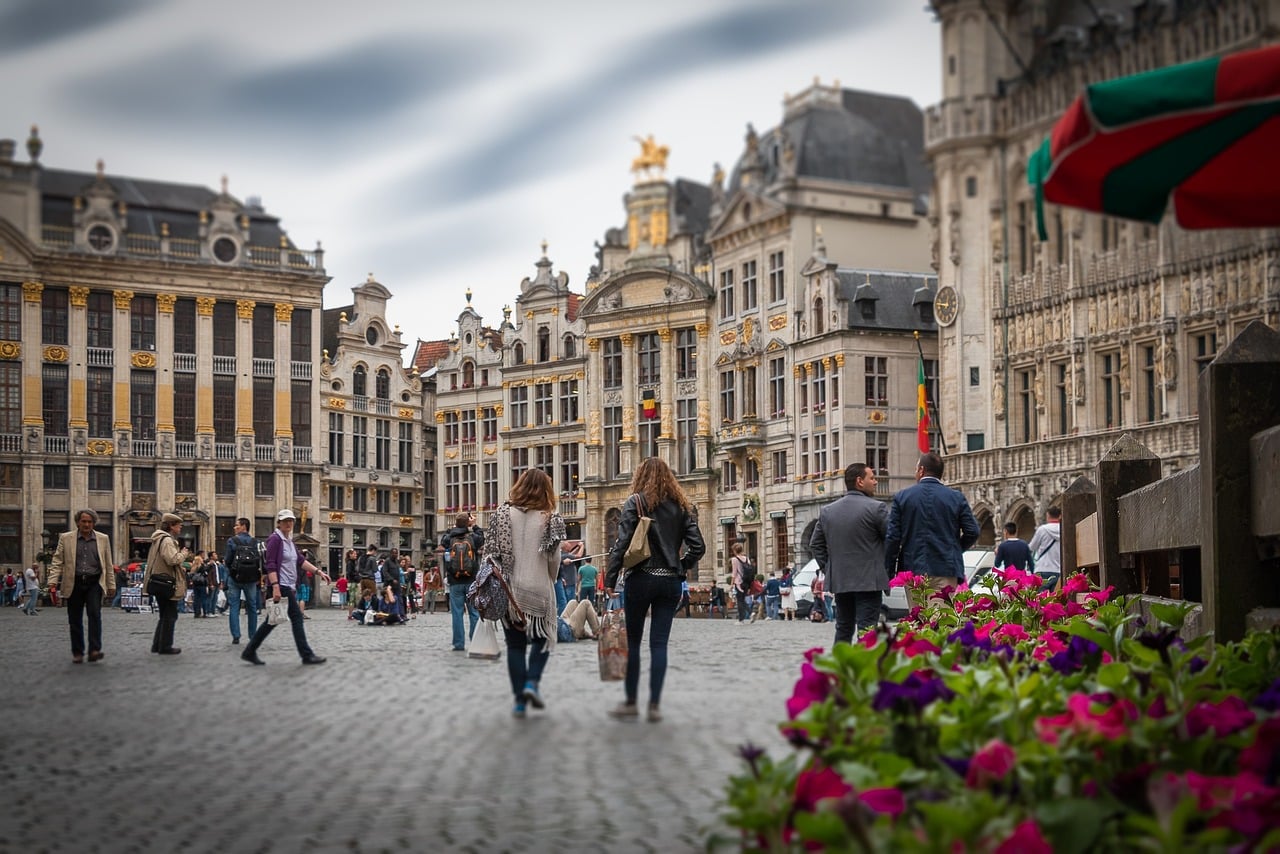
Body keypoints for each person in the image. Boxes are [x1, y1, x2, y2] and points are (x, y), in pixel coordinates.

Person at [605, 457, 706, 723]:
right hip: (670, 582)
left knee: (635, 643)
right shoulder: (681, 507)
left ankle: (630, 702)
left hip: (640, 578)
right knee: (659, 644)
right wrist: (680, 566)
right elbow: (698, 547)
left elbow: (622, 543)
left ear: (640, 477)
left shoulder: (636, 502)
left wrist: (610, 579)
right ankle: (654, 705)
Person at [483, 469, 565, 718]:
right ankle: (532, 683)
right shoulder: (551, 517)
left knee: (516, 647)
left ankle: (519, 701)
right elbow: (554, 559)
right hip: (539, 588)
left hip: (510, 591)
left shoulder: (502, 514)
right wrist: (549, 577)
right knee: (542, 640)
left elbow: (490, 553)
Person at [884, 452, 980, 611]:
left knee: (918, 620)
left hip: (913, 568)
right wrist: (954, 549)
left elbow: (893, 538)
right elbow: (973, 531)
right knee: (941, 622)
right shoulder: (956, 497)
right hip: (945, 568)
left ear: (921, 470)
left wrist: (888, 572)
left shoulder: (903, 497)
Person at [810, 462, 890, 643]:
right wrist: (887, 568)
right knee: (867, 629)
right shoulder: (877, 508)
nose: (876, 482)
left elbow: (816, 545)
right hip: (870, 582)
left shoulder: (828, 511)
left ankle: (840, 668)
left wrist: (830, 567)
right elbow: (892, 541)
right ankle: (864, 667)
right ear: (860, 481)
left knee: (843, 628)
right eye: (872, 478)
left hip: (841, 581)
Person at [240, 509, 326, 666]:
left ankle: (249, 651)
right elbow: (270, 564)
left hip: (288, 585)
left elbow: (300, 561)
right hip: (282, 585)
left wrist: (318, 571)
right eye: (285, 520)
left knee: (271, 621)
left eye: (291, 520)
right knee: (296, 618)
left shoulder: (289, 541)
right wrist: (276, 587)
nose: (288, 523)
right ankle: (306, 655)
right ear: (278, 523)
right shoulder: (275, 539)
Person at [47, 509, 117, 664]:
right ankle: (77, 652)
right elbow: (57, 561)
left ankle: (94, 650)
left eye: (90, 522)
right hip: (74, 582)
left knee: (94, 615)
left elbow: (107, 564)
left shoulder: (103, 539)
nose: (86, 524)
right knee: (74, 619)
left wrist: (111, 585)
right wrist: (52, 581)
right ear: (78, 522)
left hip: (94, 582)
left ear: (94, 523)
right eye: (84, 521)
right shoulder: (66, 538)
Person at [141, 512, 188, 656]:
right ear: (171, 526)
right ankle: (165, 646)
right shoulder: (167, 540)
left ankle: (157, 644)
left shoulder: (159, 538)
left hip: (160, 582)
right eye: (178, 525)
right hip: (167, 584)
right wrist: (183, 554)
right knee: (170, 615)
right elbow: (172, 559)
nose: (180, 527)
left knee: (164, 615)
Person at [441, 512, 483, 651]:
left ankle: (458, 644)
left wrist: (454, 527)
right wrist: (474, 525)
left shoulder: (449, 539)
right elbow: (482, 538)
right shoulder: (473, 538)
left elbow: (443, 540)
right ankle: (475, 640)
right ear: (467, 524)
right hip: (471, 580)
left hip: (455, 581)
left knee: (457, 614)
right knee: (474, 613)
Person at [222, 517, 261, 646]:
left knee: (234, 606)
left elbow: (227, 560)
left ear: (244, 526)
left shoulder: (232, 541)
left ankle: (236, 636)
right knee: (252, 607)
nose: (234, 527)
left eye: (237, 525)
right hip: (251, 578)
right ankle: (253, 635)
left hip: (235, 578)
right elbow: (259, 560)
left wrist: (230, 573)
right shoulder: (255, 542)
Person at [1028, 506, 1063, 582]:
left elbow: (1031, 548)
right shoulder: (1064, 529)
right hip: (1059, 570)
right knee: (1056, 594)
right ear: (1060, 516)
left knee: (1042, 594)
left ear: (1048, 515)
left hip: (1042, 568)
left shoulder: (1042, 529)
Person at [729, 542, 752, 623]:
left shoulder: (734, 559)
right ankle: (751, 613)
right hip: (746, 582)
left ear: (735, 550)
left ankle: (741, 620)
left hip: (739, 582)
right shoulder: (747, 559)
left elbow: (734, 573)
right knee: (742, 600)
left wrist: (731, 584)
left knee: (739, 601)